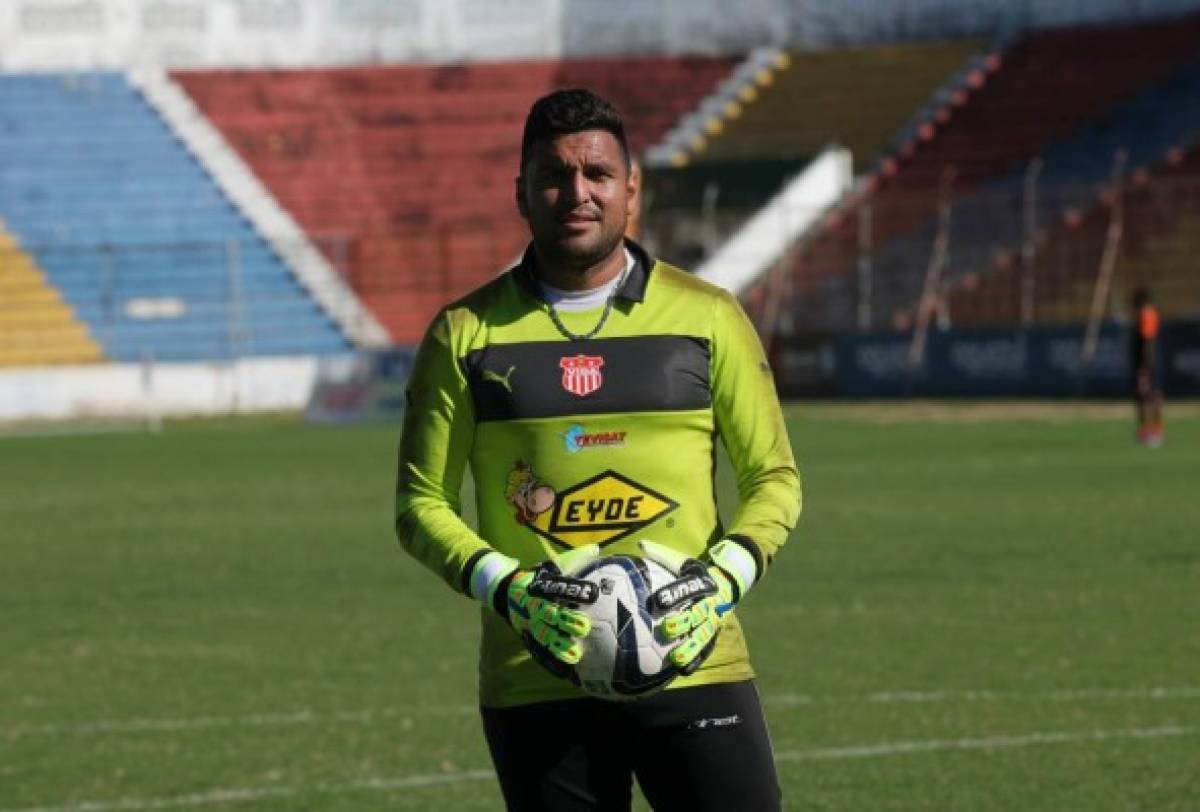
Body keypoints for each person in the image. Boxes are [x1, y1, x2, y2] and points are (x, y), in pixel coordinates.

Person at [394, 88, 801, 811]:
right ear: (521, 191)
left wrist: (721, 581)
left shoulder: (708, 318)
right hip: (534, 673)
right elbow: (420, 505)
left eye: (597, 175)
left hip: (695, 662)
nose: (575, 193)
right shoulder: (464, 334)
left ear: (631, 189)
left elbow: (774, 479)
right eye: (553, 175)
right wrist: (508, 589)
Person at [1130, 287, 1163, 447]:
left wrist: (1144, 368)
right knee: (1149, 395)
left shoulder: (1146, 315)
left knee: (1147, 395)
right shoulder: (1148, 314)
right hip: (1148, 363)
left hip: (1146, 364)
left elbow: (1147, 342)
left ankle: (1152, 431)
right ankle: (1152, 430)